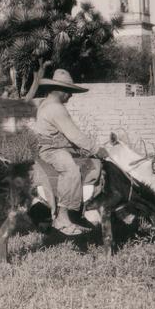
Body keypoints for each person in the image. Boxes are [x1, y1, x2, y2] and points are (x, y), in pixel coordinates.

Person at [30, 69, 109, 235]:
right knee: (71, 169)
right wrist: (96, 149)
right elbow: (75, 135)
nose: (71, 96)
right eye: (70, 92)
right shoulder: (56, 108)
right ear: (62, 91)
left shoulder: (46, 104)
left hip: (55, 146)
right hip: (52, 150)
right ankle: (62, 216)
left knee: (86, 164)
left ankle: (80, 212)